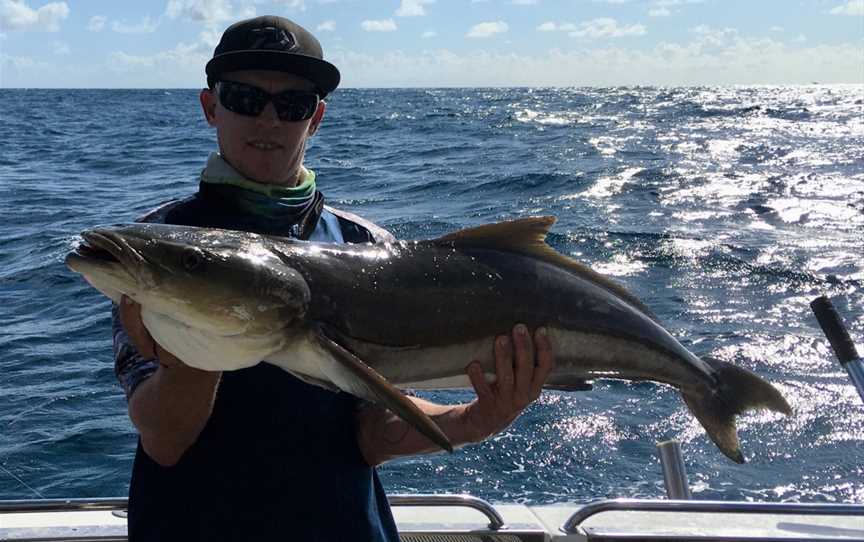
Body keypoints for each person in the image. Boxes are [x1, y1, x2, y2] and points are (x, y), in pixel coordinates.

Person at [113, 15, 555, 542]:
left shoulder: (367, 247)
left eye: (293, 104)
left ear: (316, 118)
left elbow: (369, 433)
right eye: (245, 98)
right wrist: (195, 349)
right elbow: (164, 438)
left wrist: (475, 419)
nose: (270, 120)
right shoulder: (158, 248)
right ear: (211, 107)